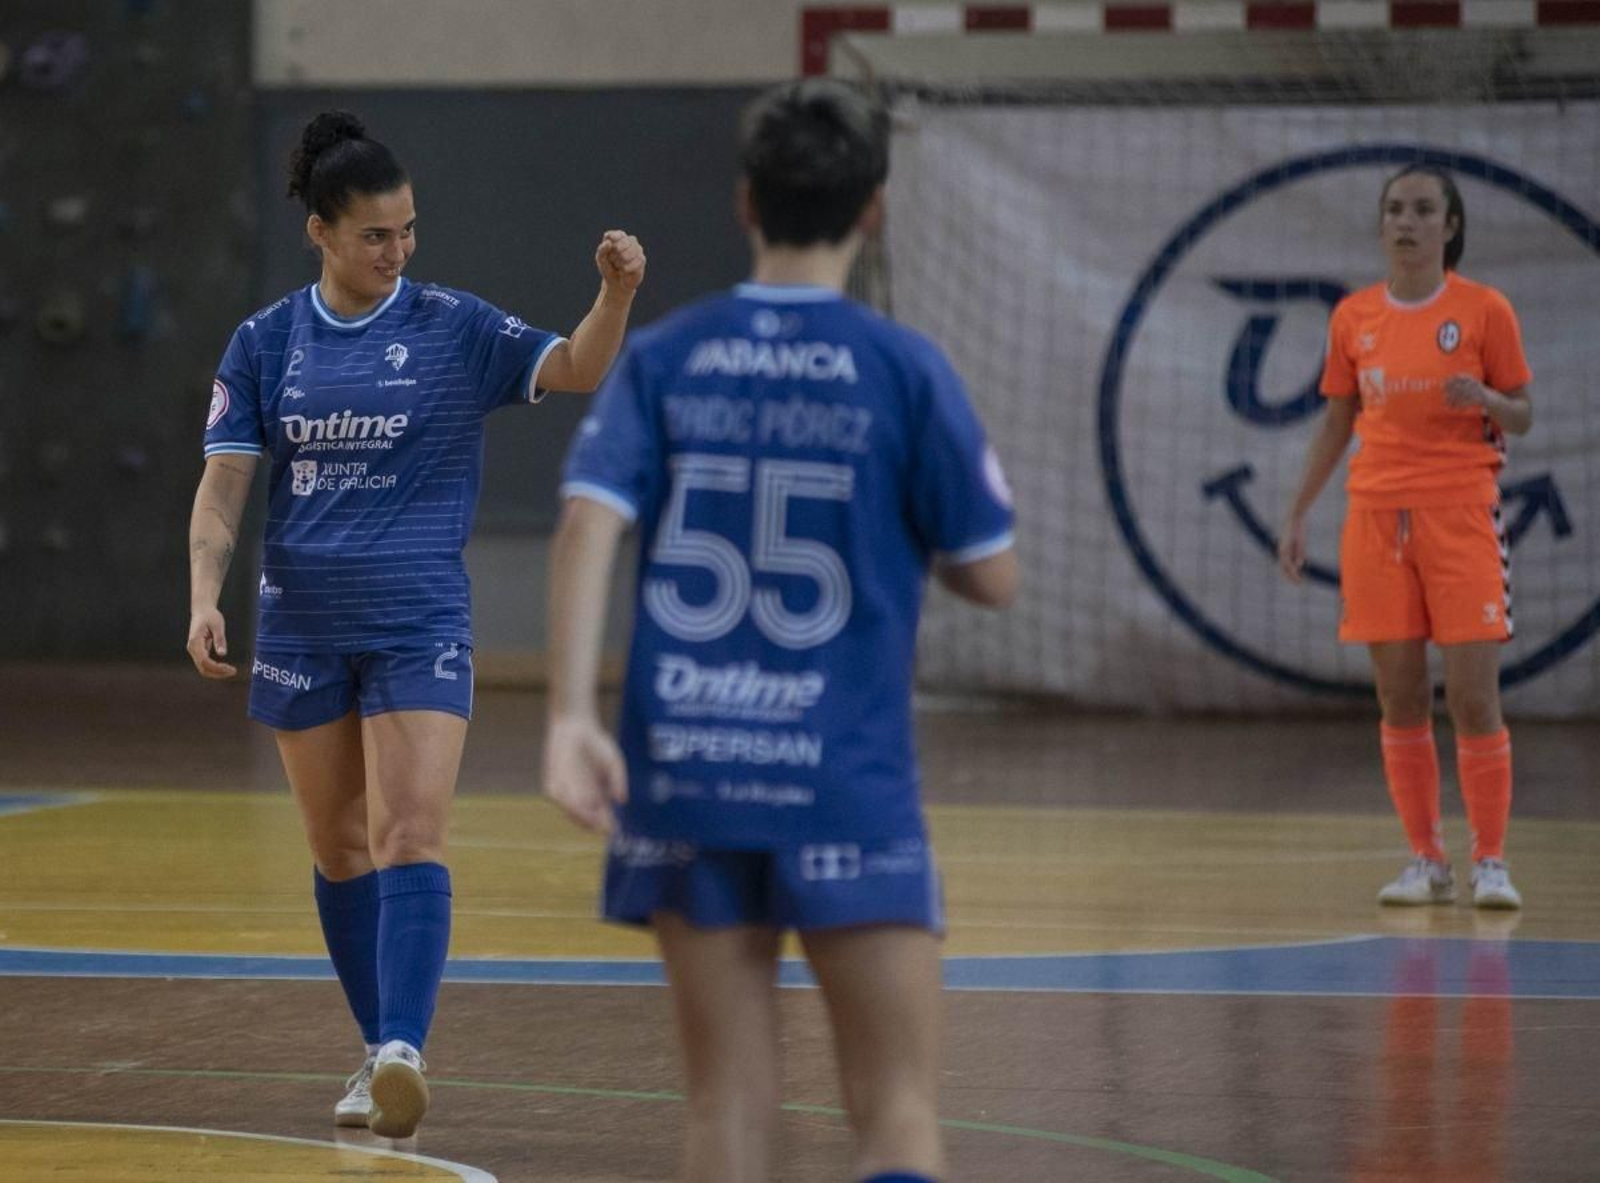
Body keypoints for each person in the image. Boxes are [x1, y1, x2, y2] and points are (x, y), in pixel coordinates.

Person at [542, 78, 1018, 1183]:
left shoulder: (665, 356)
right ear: (874, 211)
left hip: (694, 765)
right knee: (895, 1108)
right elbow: (992, 577)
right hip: (845, 771)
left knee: (726, 1104)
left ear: (746, 202)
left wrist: (569, 714)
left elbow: (586, 521)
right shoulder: (903, 368)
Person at [185, 110, 645, 1138]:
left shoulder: (452, 326)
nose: (398, 252)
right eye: (374, 237)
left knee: (408, 830)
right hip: (301, 625)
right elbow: (222, 492)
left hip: (417, 619)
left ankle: (402, 1045)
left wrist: (614, 294)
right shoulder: (266, 343)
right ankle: (373, 1051)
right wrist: (204, 594)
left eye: (409, 231)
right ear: (320, 232)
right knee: (339, 844)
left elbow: (574, 366)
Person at [1278, 164, 1532, 911]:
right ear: (1381, 224)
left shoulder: (1485, 310)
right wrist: (1297, 513)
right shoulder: (1354, 317)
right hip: (1376, 520)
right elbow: (1337, 422)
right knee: (1399, 696)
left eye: (1423, 210)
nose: (1407, 222)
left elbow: (1522, 413)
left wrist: (1486, 397)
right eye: (1395, 210)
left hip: (1460, 514)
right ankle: (1427, 859)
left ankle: (1491, 859)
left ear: (1450, 226)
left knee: (1474, 697)